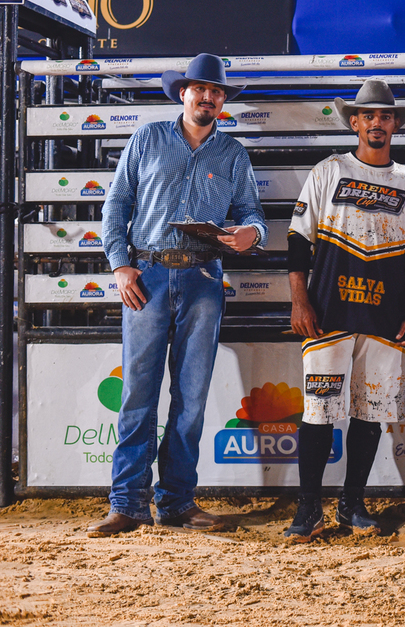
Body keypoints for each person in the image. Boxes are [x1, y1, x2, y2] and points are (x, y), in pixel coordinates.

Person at [88, 54, 267, 537]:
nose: (208, 96)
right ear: (183, 93)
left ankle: (176, 502)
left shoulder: (233, 153)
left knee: (191, 397)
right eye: (200, 89)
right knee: (138, 394)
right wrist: (120, 265)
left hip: (203, 279)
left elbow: (253, 213)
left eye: (216, 91)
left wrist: (251, 233)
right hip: (146, 276)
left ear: (223, 101)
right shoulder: (147, 138)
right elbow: (116, 203)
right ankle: (127, 504)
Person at [284, 80, 405, 541]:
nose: (377, 123)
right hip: (328, 312)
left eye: (385, 116)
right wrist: (299, 300)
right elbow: (298, 239)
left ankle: (352, 504)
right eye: (368, 116)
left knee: (370, 412)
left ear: (395, 124)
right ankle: (308, 508)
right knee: (319, 412)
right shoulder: (329, 170)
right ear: (355, 123)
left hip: (385, 319)